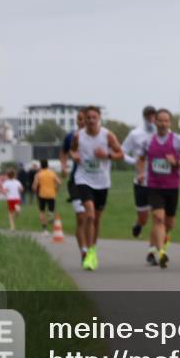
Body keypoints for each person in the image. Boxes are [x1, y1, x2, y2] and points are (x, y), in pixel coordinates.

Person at [70, 106, 124, 271]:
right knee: (90, 215)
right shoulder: (78, 136)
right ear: (84, 119)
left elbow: (120, 154)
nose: (91, 120)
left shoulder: (107, 135)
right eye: (88, 118)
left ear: (99, 118)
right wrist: (75, 156)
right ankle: (88, 252)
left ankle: (92, 248)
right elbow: (72, 150)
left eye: (94, 117)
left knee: (97, 218)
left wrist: (107, 155)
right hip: (83, 179)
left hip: (102, 181)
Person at [134, 108, 180, 268]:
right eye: (160, 120)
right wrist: (140, 173)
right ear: (155, 122)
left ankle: (152, 248)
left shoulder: (178, 141)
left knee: (169, 223)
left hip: (172, 187)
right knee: (158, 218)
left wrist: (177, 163)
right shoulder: (148, 141)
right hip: (154, 186)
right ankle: (161, 252)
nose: (163, 123)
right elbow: (140, 158)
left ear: (170, 123)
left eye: (166, 120)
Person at [122, 106, 157, 240]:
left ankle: (153, 250)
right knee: (144, 218)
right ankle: (139, 224)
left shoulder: (163, 133)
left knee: (159, 217)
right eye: (148, 116)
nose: (151, 119)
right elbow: (122, 151)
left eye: (153, 116)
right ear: (144, 117)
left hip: (159, 181)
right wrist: (133, 162)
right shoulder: (135, 134)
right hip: (141, 181)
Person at [61, 109, 87, 262]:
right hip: (76, 181)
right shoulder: (71, 136)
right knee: (81, 217)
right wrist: (64, 166)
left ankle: (90, 247)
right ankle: (83, 250)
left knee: (92, 217)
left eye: (85, 119)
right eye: (80, 119)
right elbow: (63, 152)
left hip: (95, 182)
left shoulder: (99, 136)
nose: (82, 122)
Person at [33, 158, 61, 233]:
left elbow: (34, 187)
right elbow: (59, 182)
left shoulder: (38, 174)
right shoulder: (52, 173)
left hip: (42, 195)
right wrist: (56, 189)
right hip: (52, 194)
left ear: (40, 166)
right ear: (47, 165)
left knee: (42, 211)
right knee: (51, 211)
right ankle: (51, 219)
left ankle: (44, 229)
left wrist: (35, 191)